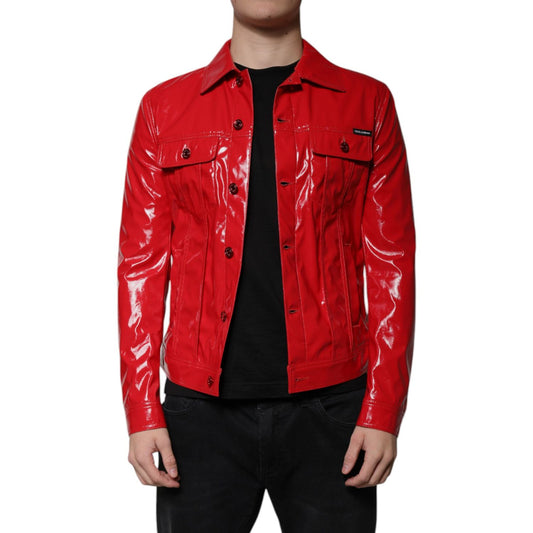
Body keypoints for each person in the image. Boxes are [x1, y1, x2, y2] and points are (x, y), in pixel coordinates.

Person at [117, 1, 416, 531]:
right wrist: (142, 410)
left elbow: (391, 261)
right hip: (199, 415)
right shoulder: (164, 108)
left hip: (334, 413)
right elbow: (141, 266)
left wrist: (383, 409)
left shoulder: (368, 102)